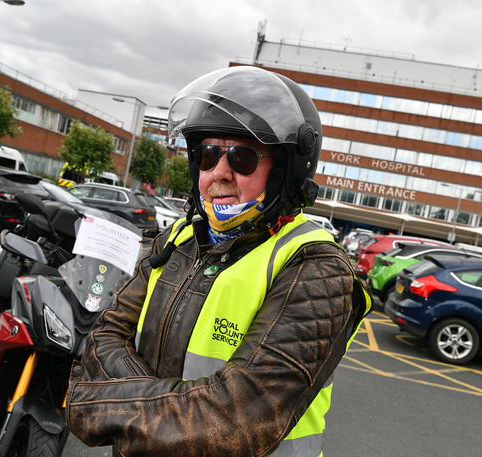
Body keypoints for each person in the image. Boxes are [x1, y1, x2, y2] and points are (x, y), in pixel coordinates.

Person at [66, 66, 372, 457]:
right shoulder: (178, 241)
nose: (219, 172)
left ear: (284, 171)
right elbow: (104, 337)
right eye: (208, 155)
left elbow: (238, 416)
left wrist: (104, 403)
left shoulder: (315, 267)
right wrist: (152, 411)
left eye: (243, 158)